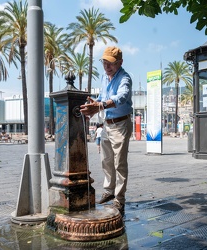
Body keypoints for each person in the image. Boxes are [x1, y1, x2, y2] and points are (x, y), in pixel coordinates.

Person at [80, 46, 133, 216]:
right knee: (106, 160)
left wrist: (100, 105)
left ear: (120, 63)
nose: (106, 66)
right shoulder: (105, 77)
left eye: (110, 63)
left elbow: (122, 97)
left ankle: (119, 199)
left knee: (119, 163)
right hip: (106, 124)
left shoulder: (125, 78)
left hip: (120, 124)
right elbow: (103, 98)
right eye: (104, 62)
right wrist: (94, 104)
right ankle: (109, 190)